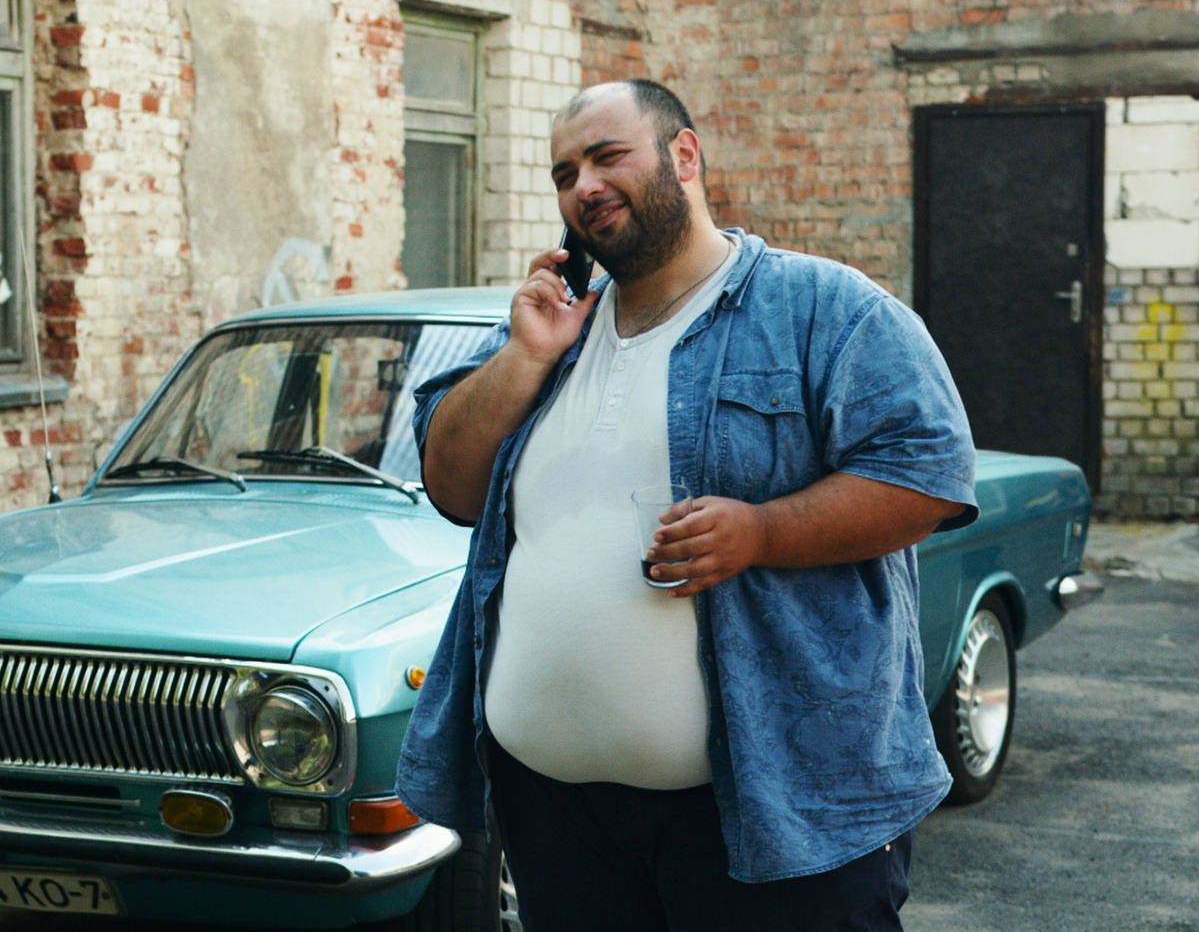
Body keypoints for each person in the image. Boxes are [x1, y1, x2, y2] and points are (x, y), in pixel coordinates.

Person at [395, 79, 979, 931]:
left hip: (778, 812)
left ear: (684, 155)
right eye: (563, 173)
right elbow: (451, 485)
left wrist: (761, 532)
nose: (583, 187)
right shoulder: (552, 330)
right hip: (558, 815)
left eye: (606, 156)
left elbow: (929, 475)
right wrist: (525, 356)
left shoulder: (824, 307)